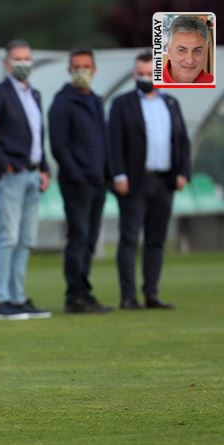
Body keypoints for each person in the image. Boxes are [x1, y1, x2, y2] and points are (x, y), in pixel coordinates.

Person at [0, 39, 51, 320]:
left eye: (27, 58)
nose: (24, 64)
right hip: (11, 176)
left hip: (33, 174)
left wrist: (44, 168)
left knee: (25, 238)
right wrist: (5, 164)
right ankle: (1, 300)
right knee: (8, 237)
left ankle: (18, 297)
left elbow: (37, 136)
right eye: (18, 59)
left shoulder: (35, 94)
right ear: (7, 63)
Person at [109, 51, 190, 310]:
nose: (144, 78)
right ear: (134, 75)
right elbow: (114, 143)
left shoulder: (172, 103)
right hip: (134, 182)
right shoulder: (122, 103)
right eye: (140, 74)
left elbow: (183, 141)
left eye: (149, 74)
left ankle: (152, 294)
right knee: (130, 238)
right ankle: (128, 296)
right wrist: (118, 175)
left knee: (156, 239)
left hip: (164, 181)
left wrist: (183, 172)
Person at [48, 49, 112, 314]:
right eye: (77, 66)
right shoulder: (63, 103)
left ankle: (85, 292)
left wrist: (106, 175)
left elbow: (102, 140)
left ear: (94, 69)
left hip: (98, 182)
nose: (81, 71)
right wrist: (77, 175)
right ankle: (75, 296)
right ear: (69, 70)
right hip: (78, 184)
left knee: (90, 239)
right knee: (79, 237)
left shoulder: (96, 100)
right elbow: (59, 146)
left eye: (86, 66)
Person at [162, 15, 213, 84]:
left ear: (206, 51)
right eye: (182, 50)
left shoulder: (212, 81)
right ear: (169, 51)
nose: (190, 61)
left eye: (197, 50)